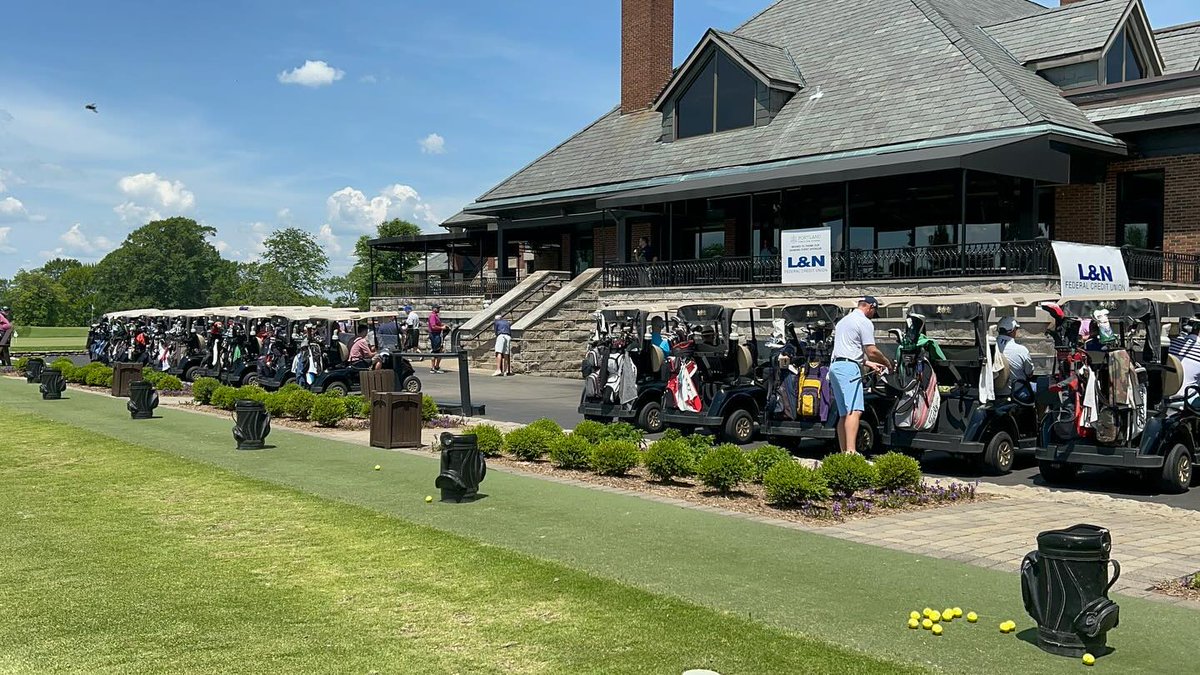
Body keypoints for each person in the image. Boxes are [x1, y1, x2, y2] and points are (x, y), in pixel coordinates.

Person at [829, 296, 893, 455]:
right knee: (854, 411)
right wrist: (887, 363)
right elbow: (871, 351)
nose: (873, 316)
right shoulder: (864, 322)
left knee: (844, 413)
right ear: (871, 307)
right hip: (849, 368)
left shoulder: (843, 321)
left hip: (835, 367)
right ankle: (851, 452)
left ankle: (844, 452)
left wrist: (868, 364)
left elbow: (848, 351)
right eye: (874, 312)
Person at [996, 316, 1035, 403]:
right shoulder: (1021, 350)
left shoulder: (989, 348)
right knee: (1042, 389)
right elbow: (1030, 374)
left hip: (994, 392)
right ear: (1013, 331)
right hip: (1016, 392)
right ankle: (1039, 416)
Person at [427, 304, 447, 374]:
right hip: (434, 335)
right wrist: (441, 328)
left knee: (440, 350)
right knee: (436, 351)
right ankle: (434, 367)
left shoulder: (436, 316)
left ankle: (436, 366)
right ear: (433, 308)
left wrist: (442, 325)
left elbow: (437, 324)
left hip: (437, 334)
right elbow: (433, 326)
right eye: (437, 308)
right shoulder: (432, 316)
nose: (439, 309)